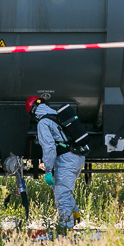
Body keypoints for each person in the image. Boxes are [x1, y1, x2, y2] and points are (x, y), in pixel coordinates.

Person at [26, 95, 85, 229]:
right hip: (78, 156)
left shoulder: (43, 122)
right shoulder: (58, 115)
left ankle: (65, 229)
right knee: (64, 189)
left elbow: (49, 148)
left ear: (33, 112)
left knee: (62, 194)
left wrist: (48, 170)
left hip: (67, 159)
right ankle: (75, 216)